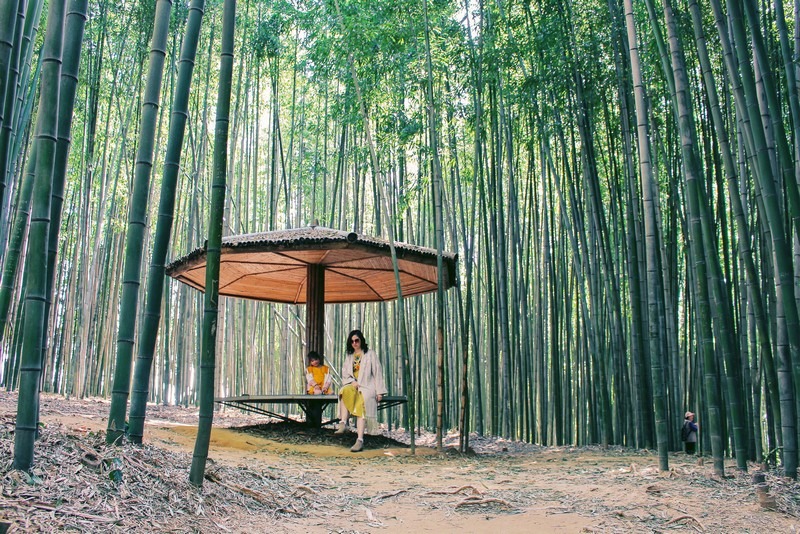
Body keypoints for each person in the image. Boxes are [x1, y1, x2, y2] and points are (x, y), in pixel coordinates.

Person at [334, 329, 387, 452]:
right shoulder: (349, 357)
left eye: (356, 340)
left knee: (361, 406)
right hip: (354, 384)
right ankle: (343, 423)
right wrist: (352, 381)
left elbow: (378, 372)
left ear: (361, 340)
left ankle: (360, 440)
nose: (354, 343)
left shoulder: (370, 354)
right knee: (343, 391)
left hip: (368, 386)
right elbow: (345, 374)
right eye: (352, 341)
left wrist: (379, 391)